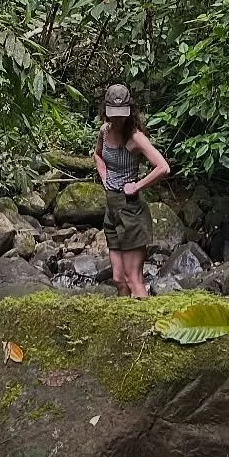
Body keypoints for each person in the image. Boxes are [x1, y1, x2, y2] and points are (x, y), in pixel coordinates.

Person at [92, 82, 170, 298]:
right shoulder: (105, 132)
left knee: (133, 278)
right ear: (106, 111)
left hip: (131, 211)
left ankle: (147, 326)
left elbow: (163, 167)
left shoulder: (136, 138)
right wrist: (105, 176)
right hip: (112, 209)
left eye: (122, 114)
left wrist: (137, 185)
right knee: (118, 279)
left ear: (129, 112)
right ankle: (125, 325)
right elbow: (97, 154)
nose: (117, 119)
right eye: (113, 114)